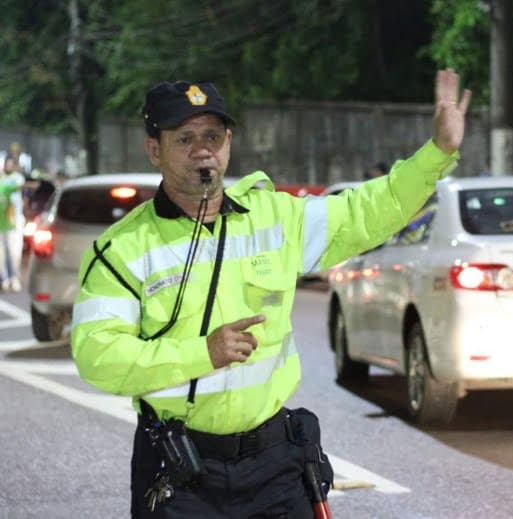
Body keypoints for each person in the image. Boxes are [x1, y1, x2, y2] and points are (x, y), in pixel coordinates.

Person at [71, 70, 471, 518]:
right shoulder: (120, 250)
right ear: (154, 150)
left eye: (213, 135)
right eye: (184, 139)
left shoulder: (276, 217)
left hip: (276, 465)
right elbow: (98, 356)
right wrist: (203, 353)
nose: (203, 148)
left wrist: (438, 152)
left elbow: (369, 211)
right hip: (180, 470)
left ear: (228, 142)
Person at [0, 155, 25, 292]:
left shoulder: (16, 178)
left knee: (14, 252)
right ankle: (5, 279)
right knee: (1, 254)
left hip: (13, 220)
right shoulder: (1, 179)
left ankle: (15, 278)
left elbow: (19, 186)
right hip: (1, 221)